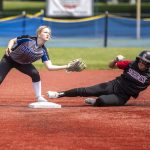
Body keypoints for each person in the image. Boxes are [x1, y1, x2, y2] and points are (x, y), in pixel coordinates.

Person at [47, 50, 150, 107]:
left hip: (122, 96)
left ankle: (95, 102)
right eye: (140, 60)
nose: (141, 63)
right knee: (86, 90)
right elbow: (111, 66)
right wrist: (115, 60)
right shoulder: (131, 64)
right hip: (114, 85)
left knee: (102, 100)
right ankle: (59, 94)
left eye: (144, 62)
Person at [0, 25, 69, 102]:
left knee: (35, 74)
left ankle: (39, 97)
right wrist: (9, 47)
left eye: (49, 33)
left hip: (23, 64)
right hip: (9, 59)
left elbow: (50, 67)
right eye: (45, 32)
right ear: (39, 34)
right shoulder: (28, 39)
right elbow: (13, 40)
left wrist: (67, 66)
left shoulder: (43, 51)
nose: (48, 34)